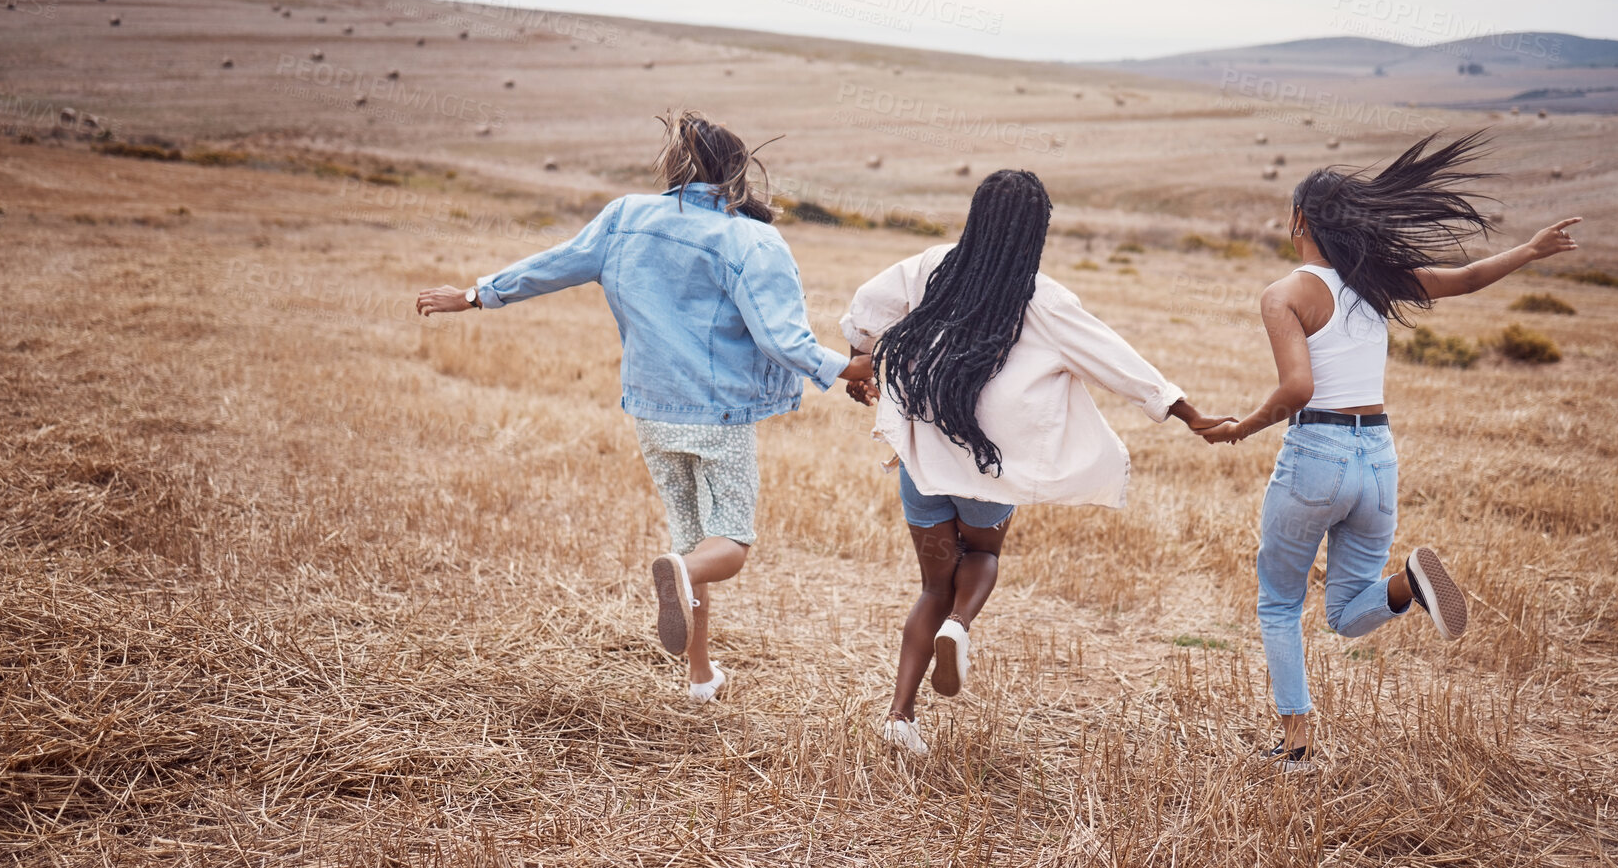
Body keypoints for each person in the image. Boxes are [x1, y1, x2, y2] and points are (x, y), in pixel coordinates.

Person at [417, 111, 872, 702]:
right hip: (720, 415)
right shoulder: (751, 238)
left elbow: (553, 265)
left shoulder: (626, 216)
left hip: (653, 412)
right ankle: (682, 581)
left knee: (690, 542)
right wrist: (856, 369)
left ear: (676, 167)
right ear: (737, 173)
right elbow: (783, 339)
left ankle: (700, 673)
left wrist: (476, 294)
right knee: (727, 545)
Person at [1202, 131, 1581, 770]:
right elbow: (1463, 280)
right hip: (1377, 457)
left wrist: (1243, 427)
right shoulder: (1375, 282)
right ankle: (1407, 585)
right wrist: (1531, 251)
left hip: (1316, 453)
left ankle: (1295, 744)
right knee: (1349, 616)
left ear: (1299, 220)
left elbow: (1298, 387)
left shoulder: (1286, 293)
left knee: (1279, 602)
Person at [841, 169, 1228, 756]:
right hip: (986, 470)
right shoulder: (1043, 298)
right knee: (984, 555)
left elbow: (866, 309)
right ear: (1035, 231)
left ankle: (899, 715)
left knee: (930, 585)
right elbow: (1116, 359)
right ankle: (959, 627)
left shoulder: (928, 268)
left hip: (921, 462)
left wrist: (859, 359)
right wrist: (1186, 411)